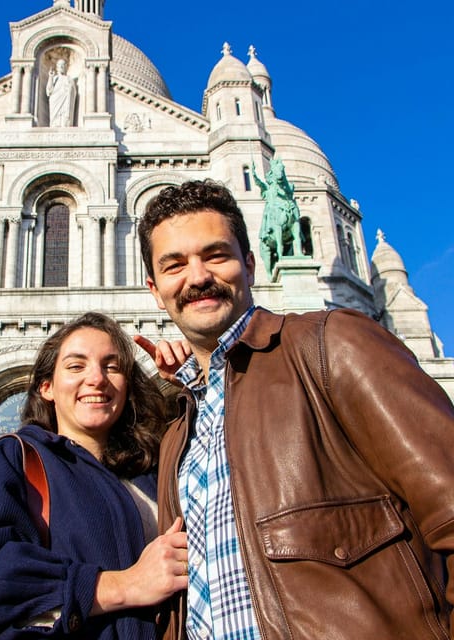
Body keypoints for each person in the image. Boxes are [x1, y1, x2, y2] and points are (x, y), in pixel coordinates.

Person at [136, 178, 454, 639]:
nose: (198, 276)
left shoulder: (332, 344)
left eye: (216, 255)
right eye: (175, 265)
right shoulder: (179, 433)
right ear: (154, 288)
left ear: (250, 263)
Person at [0, 311, 188, 639]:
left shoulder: (154, 470)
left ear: (127, 384)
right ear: (46, 387)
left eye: (112, 366)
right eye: (76, 366)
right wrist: (124, 585)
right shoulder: (12, 460)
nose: (97, 378)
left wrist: (196, 383)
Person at [46, 58, 76, 127]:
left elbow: (73, 92)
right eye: (60, 65)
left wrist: (69, 89)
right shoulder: (54, 78)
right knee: (55, 121)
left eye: (63, 65)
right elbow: (49, 91)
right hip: (55, 102)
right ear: (57, 67)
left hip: (65, 103)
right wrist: (50, 77)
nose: (61, 67)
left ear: (66, 67)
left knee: (64, 121)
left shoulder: (69, 79)